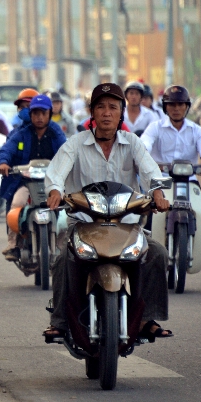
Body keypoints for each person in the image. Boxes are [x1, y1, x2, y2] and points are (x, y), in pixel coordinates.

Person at [43, 82, 173, 343]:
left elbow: (150, 171)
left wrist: (157, 193)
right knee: (61, 260)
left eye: (112, 107)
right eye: (100, 107)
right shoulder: (75, 144)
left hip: (126, 226)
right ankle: (58, 321)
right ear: (92, 112)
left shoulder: (133, 143)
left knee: (157, 253)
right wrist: (55, 191)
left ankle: (147, 319)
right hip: (83, 225)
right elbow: (56, 172)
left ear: (121, 113)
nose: (106, 113)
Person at [140, 85, 201, 269]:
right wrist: (144, 158)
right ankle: (150, 252)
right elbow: (144, 146)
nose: (176, 108)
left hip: (188, 180)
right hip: (162, 179)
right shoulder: (155, 128)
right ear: (165, 107)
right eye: (172, 104)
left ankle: (200, 249)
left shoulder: (196, 130)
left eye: (180, 104)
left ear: (187, 106)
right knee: (154, 211)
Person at [0, 94, 67, 261]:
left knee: (67, 211)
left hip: (53, 185)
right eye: (35, 113)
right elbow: (7, 149)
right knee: (16, 204)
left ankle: (62, 248)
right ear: (30, 114)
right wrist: (3, 162)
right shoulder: (22, 133)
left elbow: (67, 152)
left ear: (50, 113)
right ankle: (13, 244)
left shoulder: (56, 133)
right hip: (26, 183)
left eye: (43, 113)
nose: (40, 117)